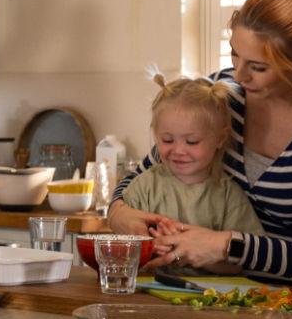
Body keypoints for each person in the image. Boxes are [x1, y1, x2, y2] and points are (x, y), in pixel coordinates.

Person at [116, 0, 292, 285]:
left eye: (258, 67)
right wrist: (119, 213)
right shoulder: (223, 91)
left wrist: (227, 246)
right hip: (214, 291)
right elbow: (146, 173)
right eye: (234, 54)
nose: (239, 75)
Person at [107, 74, 263, 238]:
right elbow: (122, 239)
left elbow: (245, 258)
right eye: (167, 140)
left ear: (220, 139)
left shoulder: (229, 197)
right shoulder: (143, 187)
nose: (179, 150)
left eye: (192, 141)